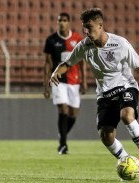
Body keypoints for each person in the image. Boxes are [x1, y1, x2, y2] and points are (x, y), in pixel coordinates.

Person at [49, 8, 139, 173]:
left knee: (126, 115)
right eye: (84, 28)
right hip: (105, 95)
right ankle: (126, 161)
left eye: (90, 27)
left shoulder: (120, 44)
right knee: (106, 136)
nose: (86, 31)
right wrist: (55, 72)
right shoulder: (84, 46)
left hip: (125, 87)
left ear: (100, 26)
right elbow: (67, 63)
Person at [43, 12, 87, 155]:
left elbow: (82, 63)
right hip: (58, 81)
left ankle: (62, 136)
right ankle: (63, 145)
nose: (61, 23)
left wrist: (85, 81)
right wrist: (46, 85)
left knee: (73, 114)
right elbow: (48, 64)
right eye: (59, 20)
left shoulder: (77, 39)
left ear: (69, 22)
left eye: (64, 20)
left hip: (74, 82)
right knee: (63, 110)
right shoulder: (51, 40)